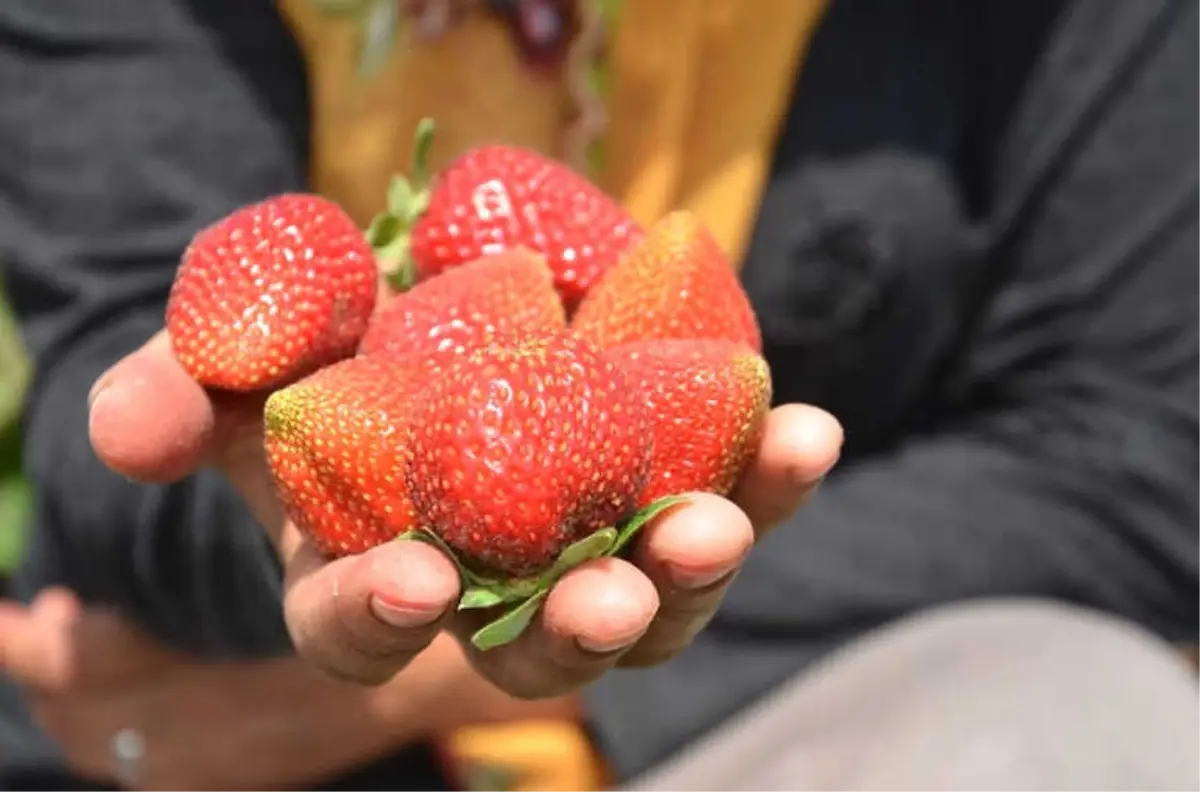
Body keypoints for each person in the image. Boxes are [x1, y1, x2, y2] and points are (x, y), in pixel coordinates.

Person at [4, 0, 1200, 790]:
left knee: (1091, 725)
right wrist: (274, 511)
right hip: (175, 726)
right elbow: (110, 378)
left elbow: (1140, 458)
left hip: (774, 712)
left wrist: (410, 688)